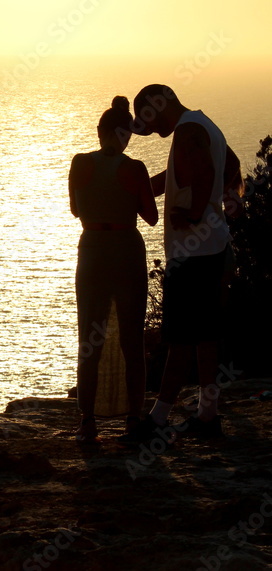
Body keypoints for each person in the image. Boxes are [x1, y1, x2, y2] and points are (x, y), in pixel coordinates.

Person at [128, 84, 241, 440]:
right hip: (212, 248)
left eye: (148, 115)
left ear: (162, 105)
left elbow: (205, 171)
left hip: (193, 254)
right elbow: (209, 171)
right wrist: (137, 190)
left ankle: (158, 420)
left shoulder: (188, 131)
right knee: (205, 338)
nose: (147, 127)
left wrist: (193, 215)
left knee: (179, 339)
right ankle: (208, 417)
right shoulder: (201, 125)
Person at [69, 96, 159, 442]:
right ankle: (133, 418)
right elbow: (150, 217)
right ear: (126, 137)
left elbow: (76, 209)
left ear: (99, 131)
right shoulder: (135, 169)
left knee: (89, 337)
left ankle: (87, 421)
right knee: (131, 338)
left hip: (92, 249)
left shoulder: (78, 163)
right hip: (125, 250)